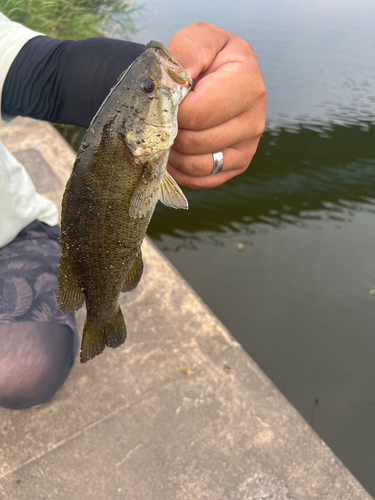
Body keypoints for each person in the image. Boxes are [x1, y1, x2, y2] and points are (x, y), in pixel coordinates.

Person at [0, 14, 266, 410]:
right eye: (148, 86)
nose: (152, 80)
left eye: (146, 88)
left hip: (12, 233)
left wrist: (206, 86)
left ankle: (100, 314)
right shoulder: (136, 141)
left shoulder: (139, 141)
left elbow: (51, 72)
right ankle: (100, 315)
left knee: (26, 368)